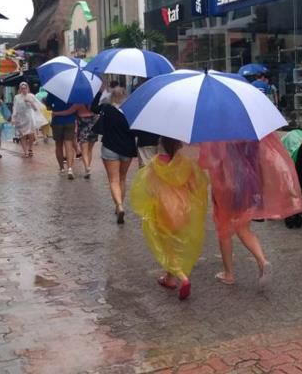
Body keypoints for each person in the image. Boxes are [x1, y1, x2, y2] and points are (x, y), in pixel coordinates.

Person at [199, 133, 302, 287]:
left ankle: (229, 274)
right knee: (244, 228)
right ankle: (262, 260)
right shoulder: (250, 132)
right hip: (248, 183)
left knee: (224, 230)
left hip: (225, 186)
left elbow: (206, 162)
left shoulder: (217, 134)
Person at [130, 136, 209, 301]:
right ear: (178, 144)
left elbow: (148, 188)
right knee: (175, 243)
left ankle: (182, 277)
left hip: (164, 211)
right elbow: (196, 186)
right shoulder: (186, 164)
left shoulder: (154, 164)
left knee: (167, 246)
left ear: (161, 145)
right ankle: (169, 278)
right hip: (183, 209)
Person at [92, 87, 137, 224]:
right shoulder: (132, 112)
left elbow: (93, 108)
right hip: (127, 149)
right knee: (122, 178)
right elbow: (135, 132)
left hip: (110, 148)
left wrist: (99, 92)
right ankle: (120, 204)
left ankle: (119, 205)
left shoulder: (106, 108)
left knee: (113, 180)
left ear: (112, 96)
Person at [44, 92, 77, 179]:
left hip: (57, 121)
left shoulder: (53, 91)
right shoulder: (72, 92)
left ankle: (62, 168)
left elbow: (48, 106)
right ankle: (70, 168)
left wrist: (54, 109)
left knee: (58, 145)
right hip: (70, 121)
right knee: (69, 145)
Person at [10, 82, 46, 157]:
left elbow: (36, 108)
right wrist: (13, 118)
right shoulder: (17, 97)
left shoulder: (31, 96)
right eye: (22, 88)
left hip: (29, 118)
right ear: (20, 89)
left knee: (31, 134)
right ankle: (25, 151)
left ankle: (30, 148)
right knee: (22, 135)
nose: (24, 90)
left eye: (25, 88)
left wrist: (30, 101)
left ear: (27, 88)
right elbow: (15, 108)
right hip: (20, 118)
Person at [73, 101, 99, 179]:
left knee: (84, 151)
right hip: (93, 129)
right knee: (90, 150)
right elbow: (97, 115)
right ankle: (88, 168)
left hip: (83, 130)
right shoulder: (93, 103)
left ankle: (87, 168)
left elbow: (72, 113)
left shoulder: (77, 104)